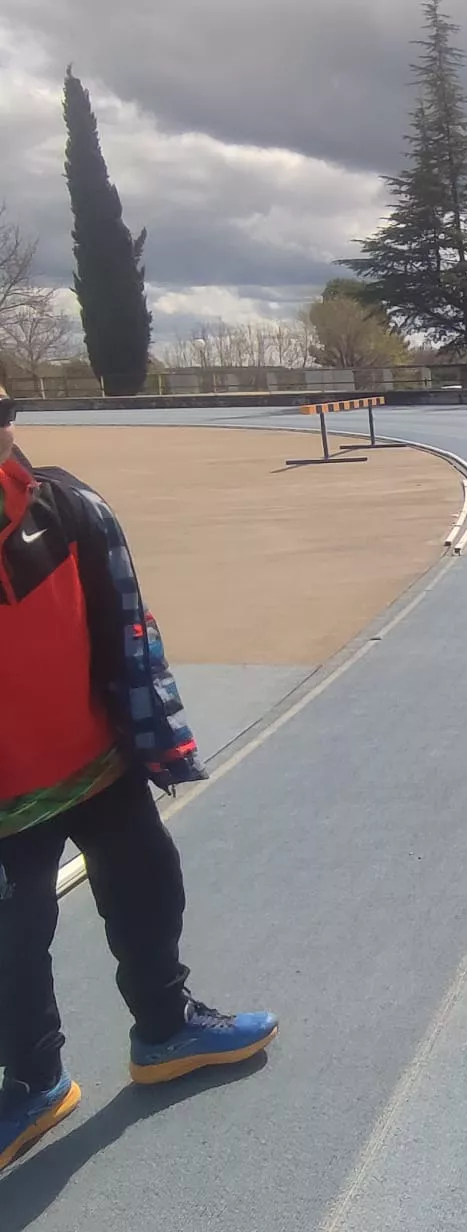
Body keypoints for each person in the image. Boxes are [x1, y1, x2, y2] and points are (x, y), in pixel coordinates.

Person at [0, 378, 277, 1172]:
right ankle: (33, 1082)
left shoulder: (66, 507)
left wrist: (150, 737)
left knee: (149, 889)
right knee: (12, 948)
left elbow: (126, 629)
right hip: (6, 803)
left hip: (100, 764)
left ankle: (164, 1029)